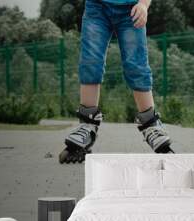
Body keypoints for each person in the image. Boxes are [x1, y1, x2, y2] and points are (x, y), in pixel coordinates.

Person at [59, 0, 173, 164]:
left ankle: (151, 124)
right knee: (90, 61)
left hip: (131, 9)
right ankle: (87, 124)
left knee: (136, 64)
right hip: (97, 8)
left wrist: (143, 5)